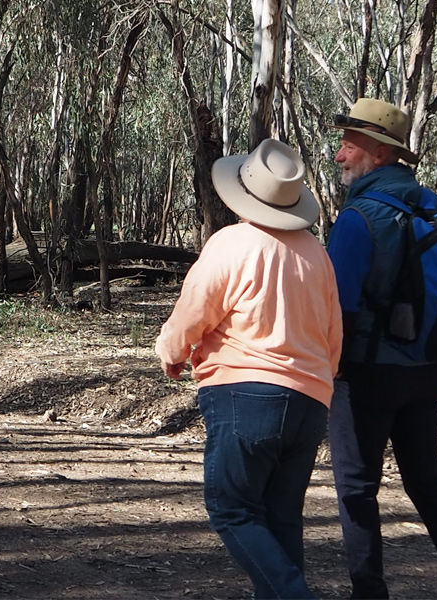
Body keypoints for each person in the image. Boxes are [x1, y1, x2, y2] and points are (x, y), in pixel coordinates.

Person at [326, 98, 437, 599]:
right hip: (427, 370)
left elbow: (335, 304)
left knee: (357, 490)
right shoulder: (435, 207)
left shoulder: (360, 217)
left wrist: (331, 368)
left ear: (379, 154)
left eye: (348, 145)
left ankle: (370, 593)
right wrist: (434, 344)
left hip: (365, 376)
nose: (339, 156)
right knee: (428, 484)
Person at [155, 139, 343, 599]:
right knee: (281, 518)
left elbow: (194, 310)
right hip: (310, 401)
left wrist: (171, 351)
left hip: (245, 396)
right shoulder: (317, 254)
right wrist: (318, 382)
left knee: (232, 510)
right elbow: (334, 334)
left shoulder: (232, 243)